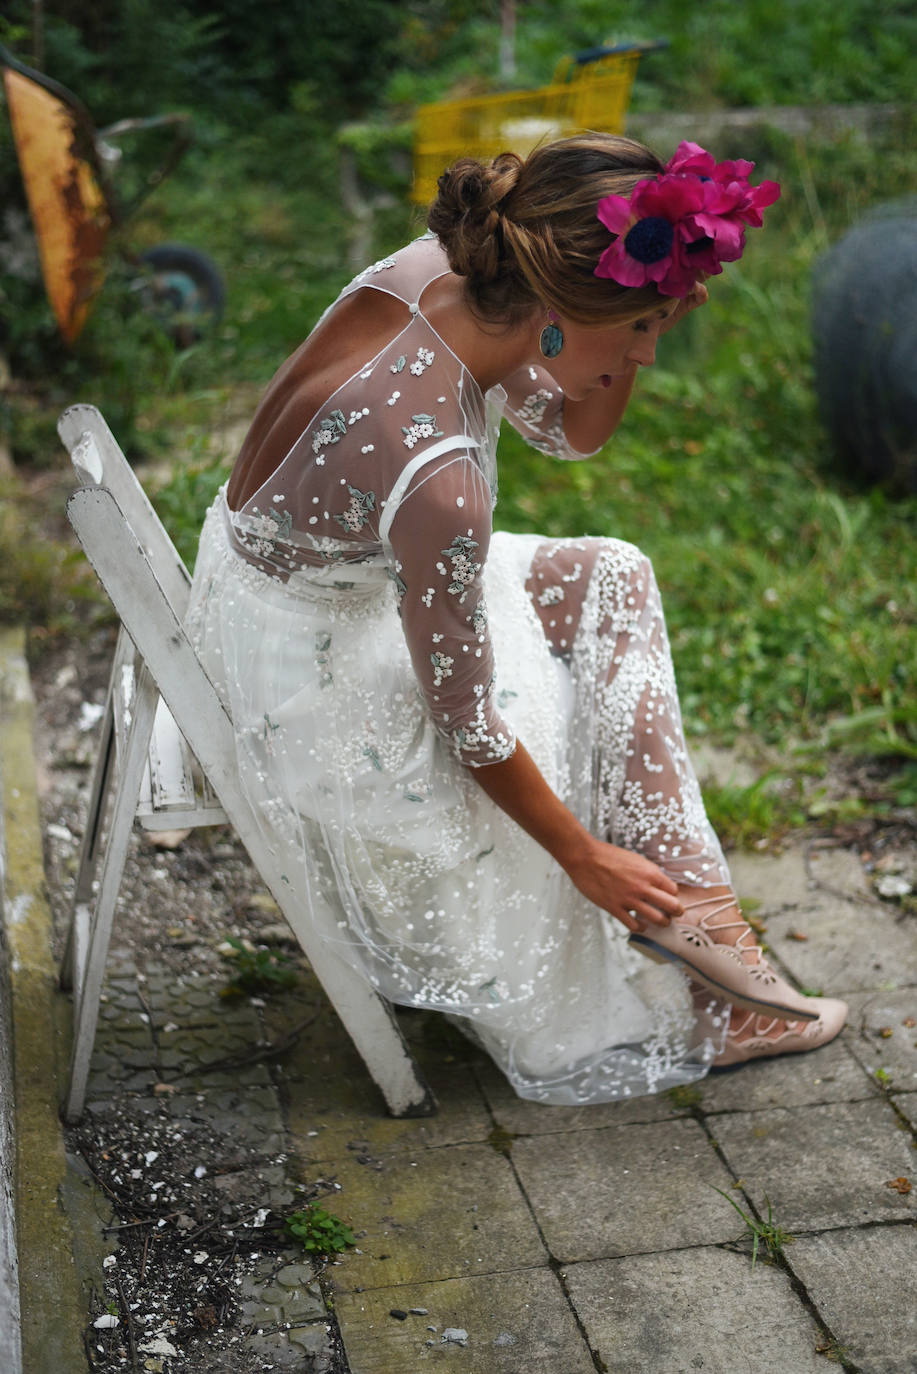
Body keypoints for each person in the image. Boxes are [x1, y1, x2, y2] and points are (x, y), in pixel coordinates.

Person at [185, 134, 847, 1105]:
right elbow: (468, 725)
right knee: (543, 701)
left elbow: (571, 432)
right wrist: (584, 860)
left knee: (610, 573)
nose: (647, 353)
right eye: (637, 331)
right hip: (302, 664)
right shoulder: (436, 473)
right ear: (558, 312)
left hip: (295, 576)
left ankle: (709, 938)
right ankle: (715, 976)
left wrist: (632, 316)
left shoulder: (457, 276)